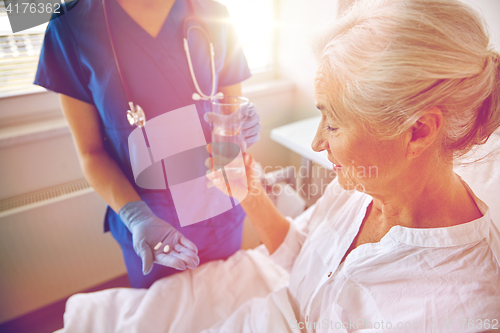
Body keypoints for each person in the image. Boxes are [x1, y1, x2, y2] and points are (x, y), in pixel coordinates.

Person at [58, 0, 500, 331]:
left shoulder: (459, 307)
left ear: (419, 131)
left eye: (334, 121)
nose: (315, 141)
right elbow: (307, 256)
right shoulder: (356, 187)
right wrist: (249, 193)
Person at [34, 0, 261, 288]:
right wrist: (136, 217)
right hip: (149, 223)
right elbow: (91, 152)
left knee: (227, 304)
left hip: (218, 205)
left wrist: (242, 126)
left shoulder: (211, 11)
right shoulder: (70, 24)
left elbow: (230, 113)